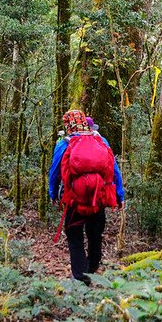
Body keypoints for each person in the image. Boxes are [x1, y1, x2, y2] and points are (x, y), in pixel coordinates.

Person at [48, 109, 125, 285]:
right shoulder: (101, 140)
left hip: (74, 199)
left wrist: (52, 193)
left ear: (68, 125)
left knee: (74, 237)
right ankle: (92, 268)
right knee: (95, 234)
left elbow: (54, 172)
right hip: (98, 198)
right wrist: (119, 195)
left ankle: (80, 278)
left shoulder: (64, 143)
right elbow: (114, 170)